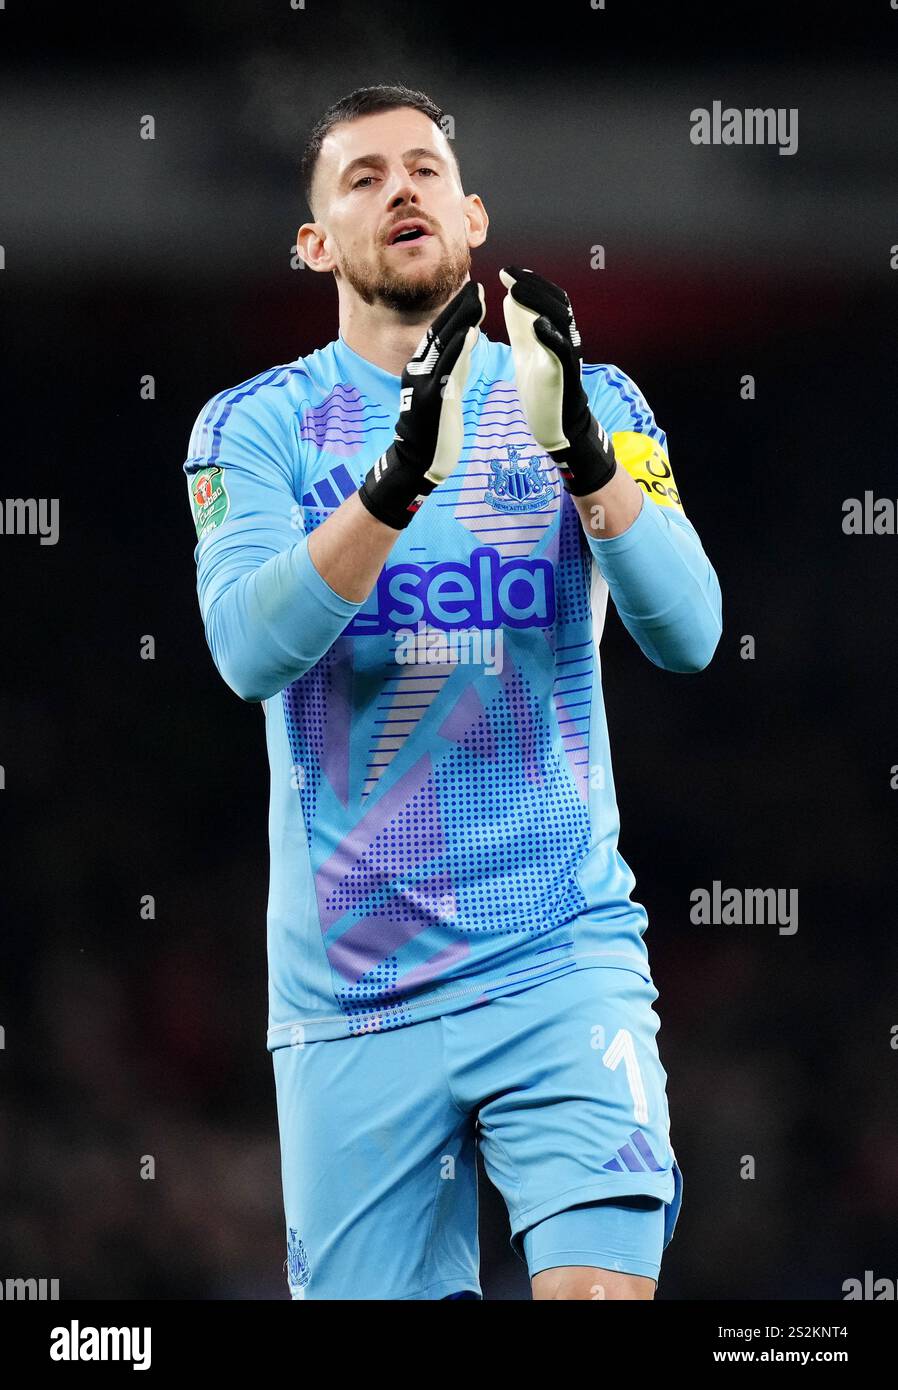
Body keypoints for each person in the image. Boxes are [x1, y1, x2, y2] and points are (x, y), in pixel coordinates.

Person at [183, 83, 722, 1301]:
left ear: (472, 219)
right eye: (362, 178)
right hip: (351, 992)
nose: (401, 189)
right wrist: (395, 485)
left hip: (559, 953)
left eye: (423, 168)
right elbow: (246, 651)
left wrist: (581, 457)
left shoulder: (599, 401)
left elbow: (689, 631)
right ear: (316, 245)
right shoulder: (255, 429)